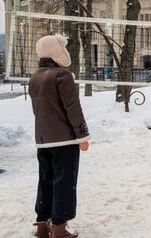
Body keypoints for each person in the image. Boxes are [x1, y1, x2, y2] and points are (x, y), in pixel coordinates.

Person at [29, 34, 90, 238]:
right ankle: (59, 228)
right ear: (57, 52)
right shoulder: (63, 75)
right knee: (64, 182)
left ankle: (41, 225)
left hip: (43, 140)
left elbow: (38, 111)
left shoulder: (35, 77)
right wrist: (82, 136)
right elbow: (73, 108)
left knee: (45, 180)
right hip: (64, 140)